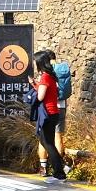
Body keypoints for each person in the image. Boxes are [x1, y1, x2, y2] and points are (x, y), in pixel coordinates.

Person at [28, 50, 66, 181]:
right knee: (47, 141)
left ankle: (60, 173)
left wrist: (34, 85)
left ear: (39, 62)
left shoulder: (45, 77)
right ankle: (62, 168)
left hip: (48, 114)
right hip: (53, 112)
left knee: (46, 142)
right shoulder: (50, 75)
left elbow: (40, 96)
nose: (33, 63)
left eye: (34, 61)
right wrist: (35, 84)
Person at [48, 50, 76, 175]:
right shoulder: (63, 69)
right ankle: (60, 166)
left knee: (46, 137)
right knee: (58, 137)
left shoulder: (48, 70)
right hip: (62, 105)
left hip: (50, 107)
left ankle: (50, 167)